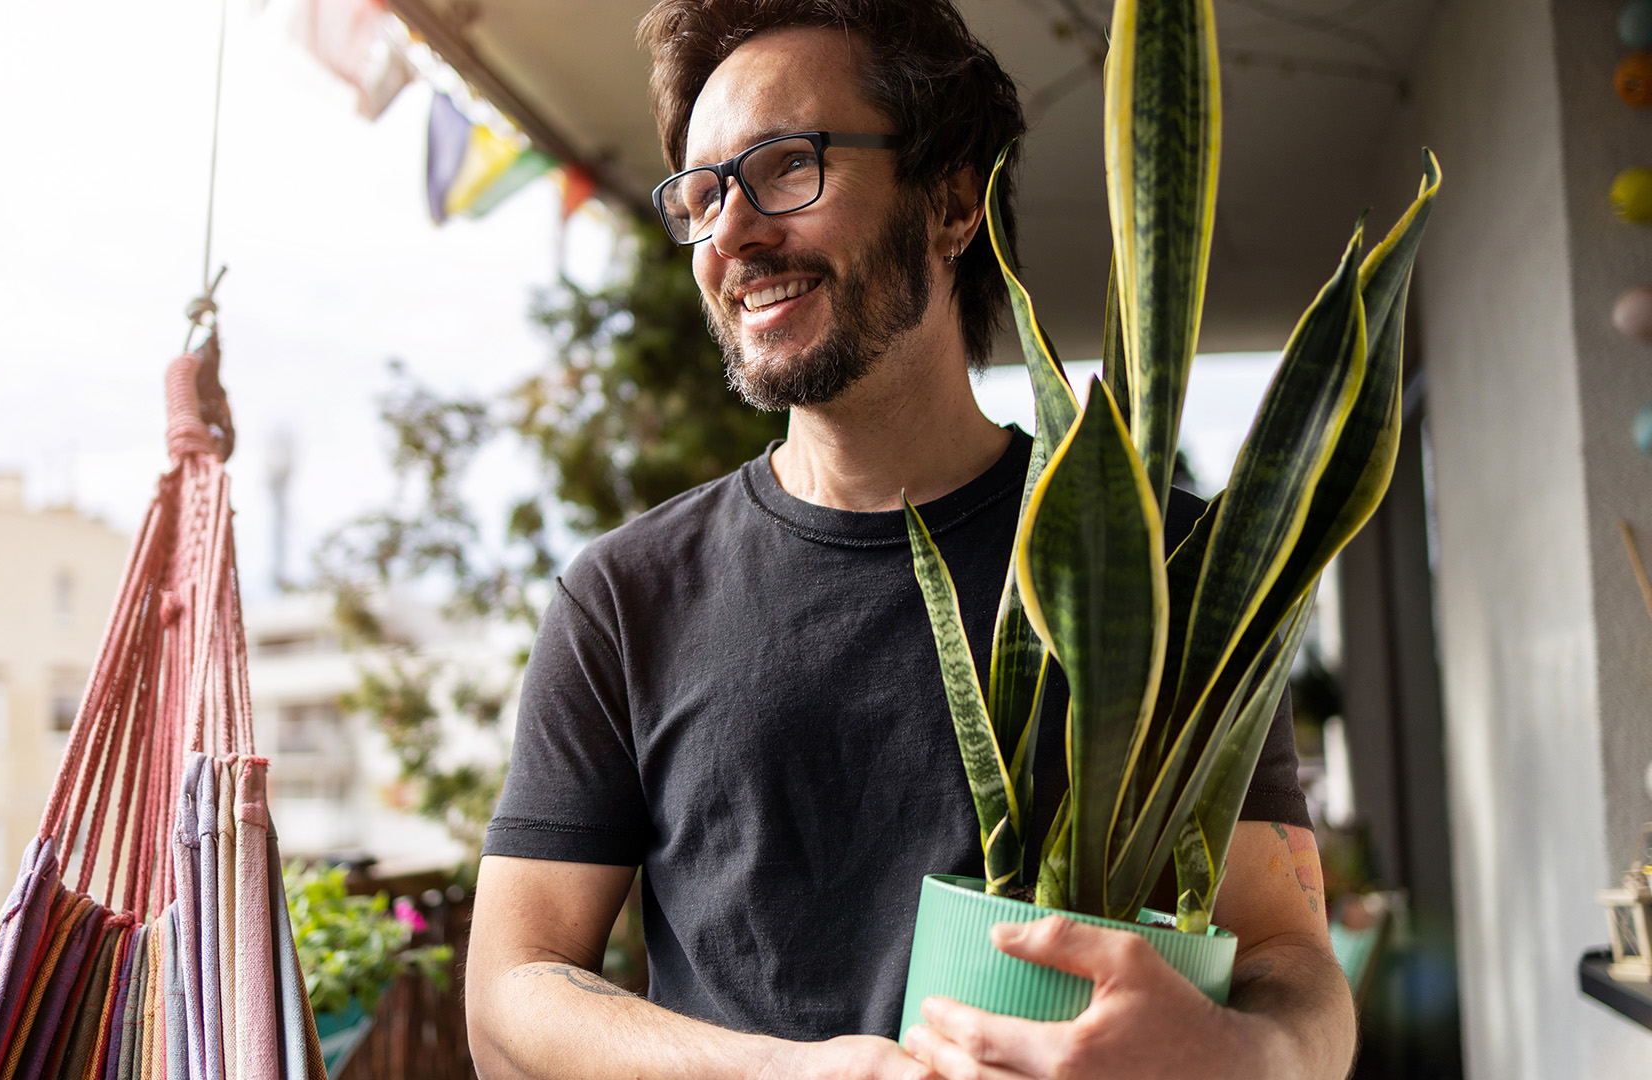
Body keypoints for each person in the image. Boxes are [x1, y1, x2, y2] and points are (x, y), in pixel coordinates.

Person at [465, 2, 1356, 1077]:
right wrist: (785, 1073)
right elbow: (509, 990)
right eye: (704, 195)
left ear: (951, 200)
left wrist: (1245, 1058)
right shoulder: (625, 598)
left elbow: (1288, 954)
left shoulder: (1166, 569)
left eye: (787, 165)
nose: (734, 232)